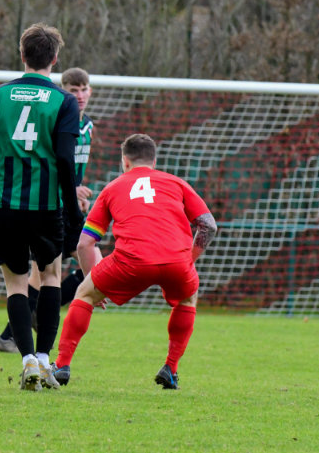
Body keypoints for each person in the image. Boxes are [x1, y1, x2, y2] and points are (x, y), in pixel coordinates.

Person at [0, 23, 84, 391]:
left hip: (5, 206)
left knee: (16, 284)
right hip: (47, 207)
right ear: (55, 59)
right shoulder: (65, 102)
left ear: (22, 55)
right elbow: (65, 160)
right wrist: (72, 208)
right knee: (50, 277)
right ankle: (46, 360)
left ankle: (27, 360)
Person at [53, 133, 217, 389]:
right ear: (154, 160)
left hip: (131, 262)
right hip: (177, 262)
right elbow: (208, 225)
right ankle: (171, 369)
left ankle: (62, 365)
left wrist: (93, 279)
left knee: (84, 294)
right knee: (188, 298)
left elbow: (85, 243)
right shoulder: (177, 183)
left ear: (125, 161)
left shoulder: (112, 188)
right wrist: (189, 259)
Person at [0, 67, 102, 353]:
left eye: (84, 88)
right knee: (62, 269)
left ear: (90, 91)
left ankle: (15, 332)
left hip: (68, 204)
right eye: (73, 89)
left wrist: (78, 192)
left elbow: (73, 166)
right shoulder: (55, 118)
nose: (79, 95)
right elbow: (54, 162)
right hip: (49, 203)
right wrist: (71, 191)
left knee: (50, 271)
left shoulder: (88, 126)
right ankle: (22, 331)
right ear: (63, 89)